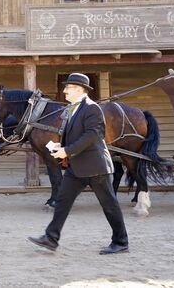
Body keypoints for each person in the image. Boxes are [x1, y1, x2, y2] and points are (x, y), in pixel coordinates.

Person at [28, 73, 129, 255]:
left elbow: (92, 135)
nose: (64, 90)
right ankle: (51, 238)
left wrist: (67, 151)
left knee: (109, 205)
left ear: (78, 89)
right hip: (77, 167)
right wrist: (62, 146)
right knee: (62, 201)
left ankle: (121, 242)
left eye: (68, 87)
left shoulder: (92, 108)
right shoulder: (73, 109)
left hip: (96, 167)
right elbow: (76, 135)